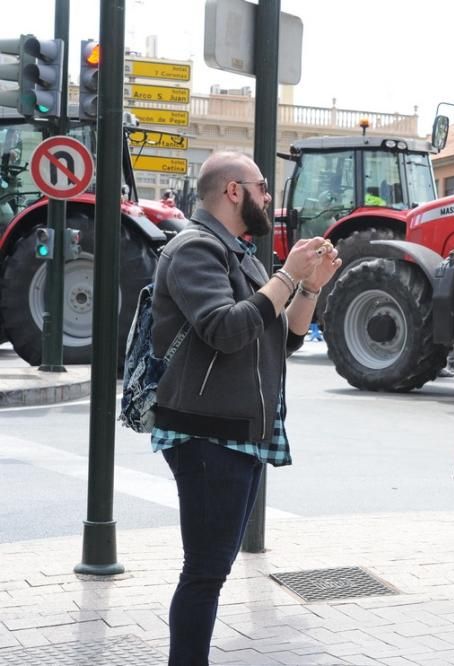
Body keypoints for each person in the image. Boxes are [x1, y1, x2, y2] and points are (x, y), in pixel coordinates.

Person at [150, 151, 342, 665]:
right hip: (206, 432)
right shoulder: (195, 249)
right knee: (205, 572)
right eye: (262, 187)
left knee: (211, 569)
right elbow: (225, 329)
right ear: (234, 191)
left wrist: (308, 286)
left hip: (238, 432)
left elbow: (282, 341)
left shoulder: (240, 254)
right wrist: (285, 277)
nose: (268, 198)